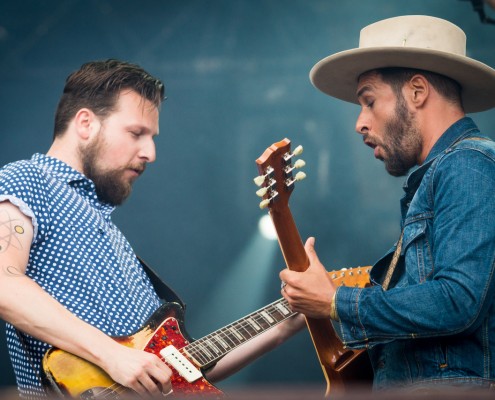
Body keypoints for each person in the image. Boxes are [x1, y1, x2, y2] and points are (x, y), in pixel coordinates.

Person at [0, 59, 304, 398]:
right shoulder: (26, 179)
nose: (151, 152)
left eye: (152, 137)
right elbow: (4, 283)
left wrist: (283, 327)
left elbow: (179, 370)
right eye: (136, 133)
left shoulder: (112, 236)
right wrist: (113, 355)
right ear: (85, 123)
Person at [280, 15, 495, 393]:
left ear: (417, 92)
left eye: (369, 101)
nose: (359, 123)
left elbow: (458, 300)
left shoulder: (468, 164)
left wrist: (336, 301)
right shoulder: (440, 175)